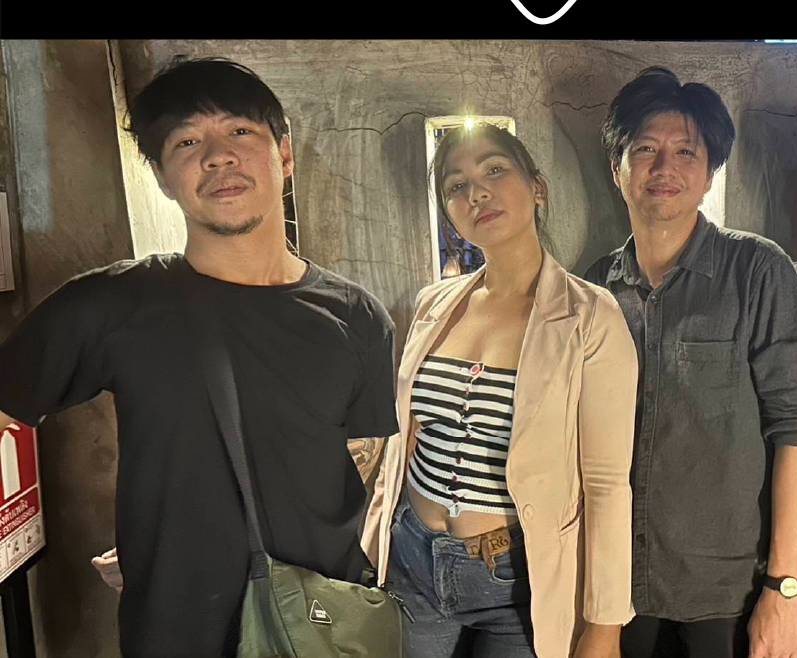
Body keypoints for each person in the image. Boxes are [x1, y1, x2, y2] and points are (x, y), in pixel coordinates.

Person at [0, 57, 398, 657]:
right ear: (163, 179)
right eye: (187, 142)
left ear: (284, 154)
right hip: (177, 628)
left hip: (319, 625)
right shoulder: (112, 304)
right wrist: (161, 538)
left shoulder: (358, 316)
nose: (217, 157)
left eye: (239, 130)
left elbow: (359, 459)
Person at [362, 123, 637, 658]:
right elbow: (407, 435)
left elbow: (606, 483)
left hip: (516, 578)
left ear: (538, 187)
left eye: (494, 170)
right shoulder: (435, 304)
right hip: (412, 555)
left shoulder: (589, 315)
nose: (477, 193)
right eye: (456, 185)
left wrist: (604, 625)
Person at [585, 66, 797, 658]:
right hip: (616, 587)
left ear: (709, 172)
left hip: (727, 592)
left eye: (685, 152)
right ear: (618, 169)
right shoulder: (595, 287)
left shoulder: (758, 271)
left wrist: (784, 588)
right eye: (645, 150)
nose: (663, 168)